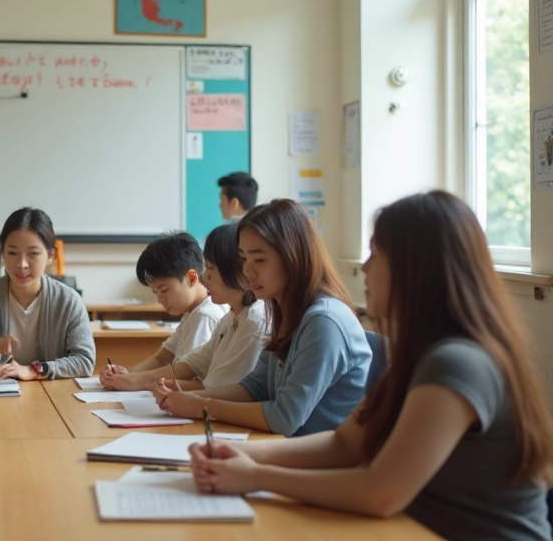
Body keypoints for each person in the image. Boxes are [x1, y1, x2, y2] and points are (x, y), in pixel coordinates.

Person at [190, 191, 553, 541]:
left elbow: (381, 491)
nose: (364, 267)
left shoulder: (456, 363)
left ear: (418, 270)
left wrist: (256, 477)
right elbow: (345, 444)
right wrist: (239, 454)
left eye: (377, 255)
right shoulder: (421, 356)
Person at [157, 199, 371, 437]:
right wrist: (186, 397)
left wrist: (202, 406)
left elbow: (284, 417)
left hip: (317, 461)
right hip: (283, 448)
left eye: (259, 260)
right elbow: (255, 387)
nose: (247, 271)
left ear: (294, 257)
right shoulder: (283, 311)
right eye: (244, 259)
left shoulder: (324, 322)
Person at [0, 207, 95, 380]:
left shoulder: (68, 301)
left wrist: (34, 370)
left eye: (33, 254)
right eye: (12, 253)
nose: (22, 264)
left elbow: (85, 362)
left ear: (50, 256)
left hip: (50, 398)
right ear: (3, 255)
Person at [99, 232, 225, 390]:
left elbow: (186, 373)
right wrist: (126, 374)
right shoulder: (192, 312)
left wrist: (134, 381)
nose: (160, 300)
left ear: (191, 278)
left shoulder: (205, 315)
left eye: (164, 290)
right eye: (155, 292)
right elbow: (162, 359)